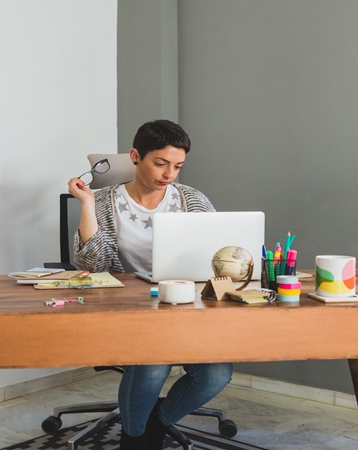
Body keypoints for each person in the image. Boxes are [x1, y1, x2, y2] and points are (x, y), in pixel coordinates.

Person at [67, 119, 233, 450]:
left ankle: (156, 422)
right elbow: (90, 266)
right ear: (135, 156)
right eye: (160, 163)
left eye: (177, 166)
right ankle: (134, 437)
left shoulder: (192, 200)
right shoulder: (104, 202)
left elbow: (221, 256)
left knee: (216, 373)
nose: (169, 174)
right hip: (129, 311)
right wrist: (86, 204)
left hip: (185, 308)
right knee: (153, 365)